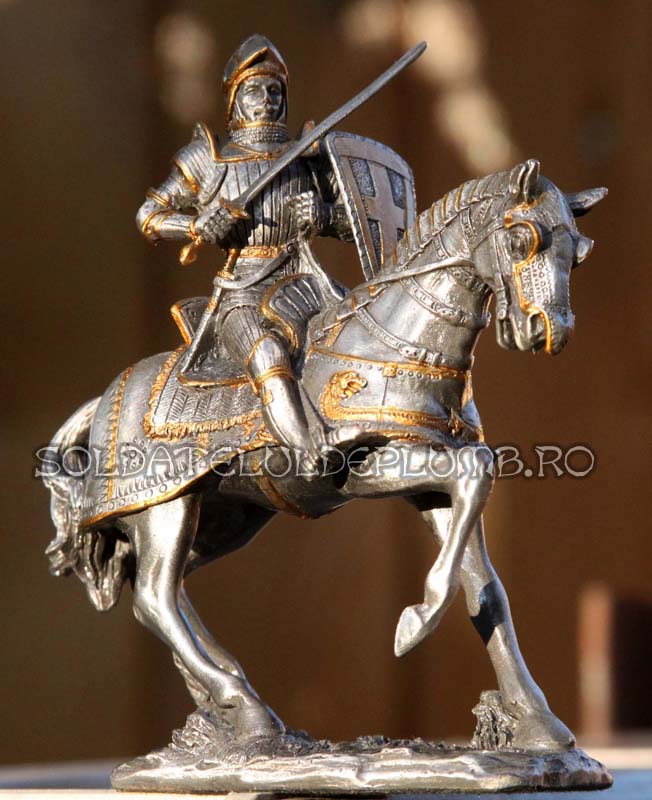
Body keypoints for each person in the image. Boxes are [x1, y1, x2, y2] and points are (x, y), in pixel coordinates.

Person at [137, 34, 355, 464]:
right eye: (255, 90)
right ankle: (310, 453)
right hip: (243, 293)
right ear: (235, 98)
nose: (267, 100)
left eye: (275, 90)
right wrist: (197, 224)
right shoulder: (207, 159)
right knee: (268, 354)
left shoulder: (308, 154)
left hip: (309, 285)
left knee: (366, 332)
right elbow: (149, 216)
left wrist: (325, 214)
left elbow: (353, 221)